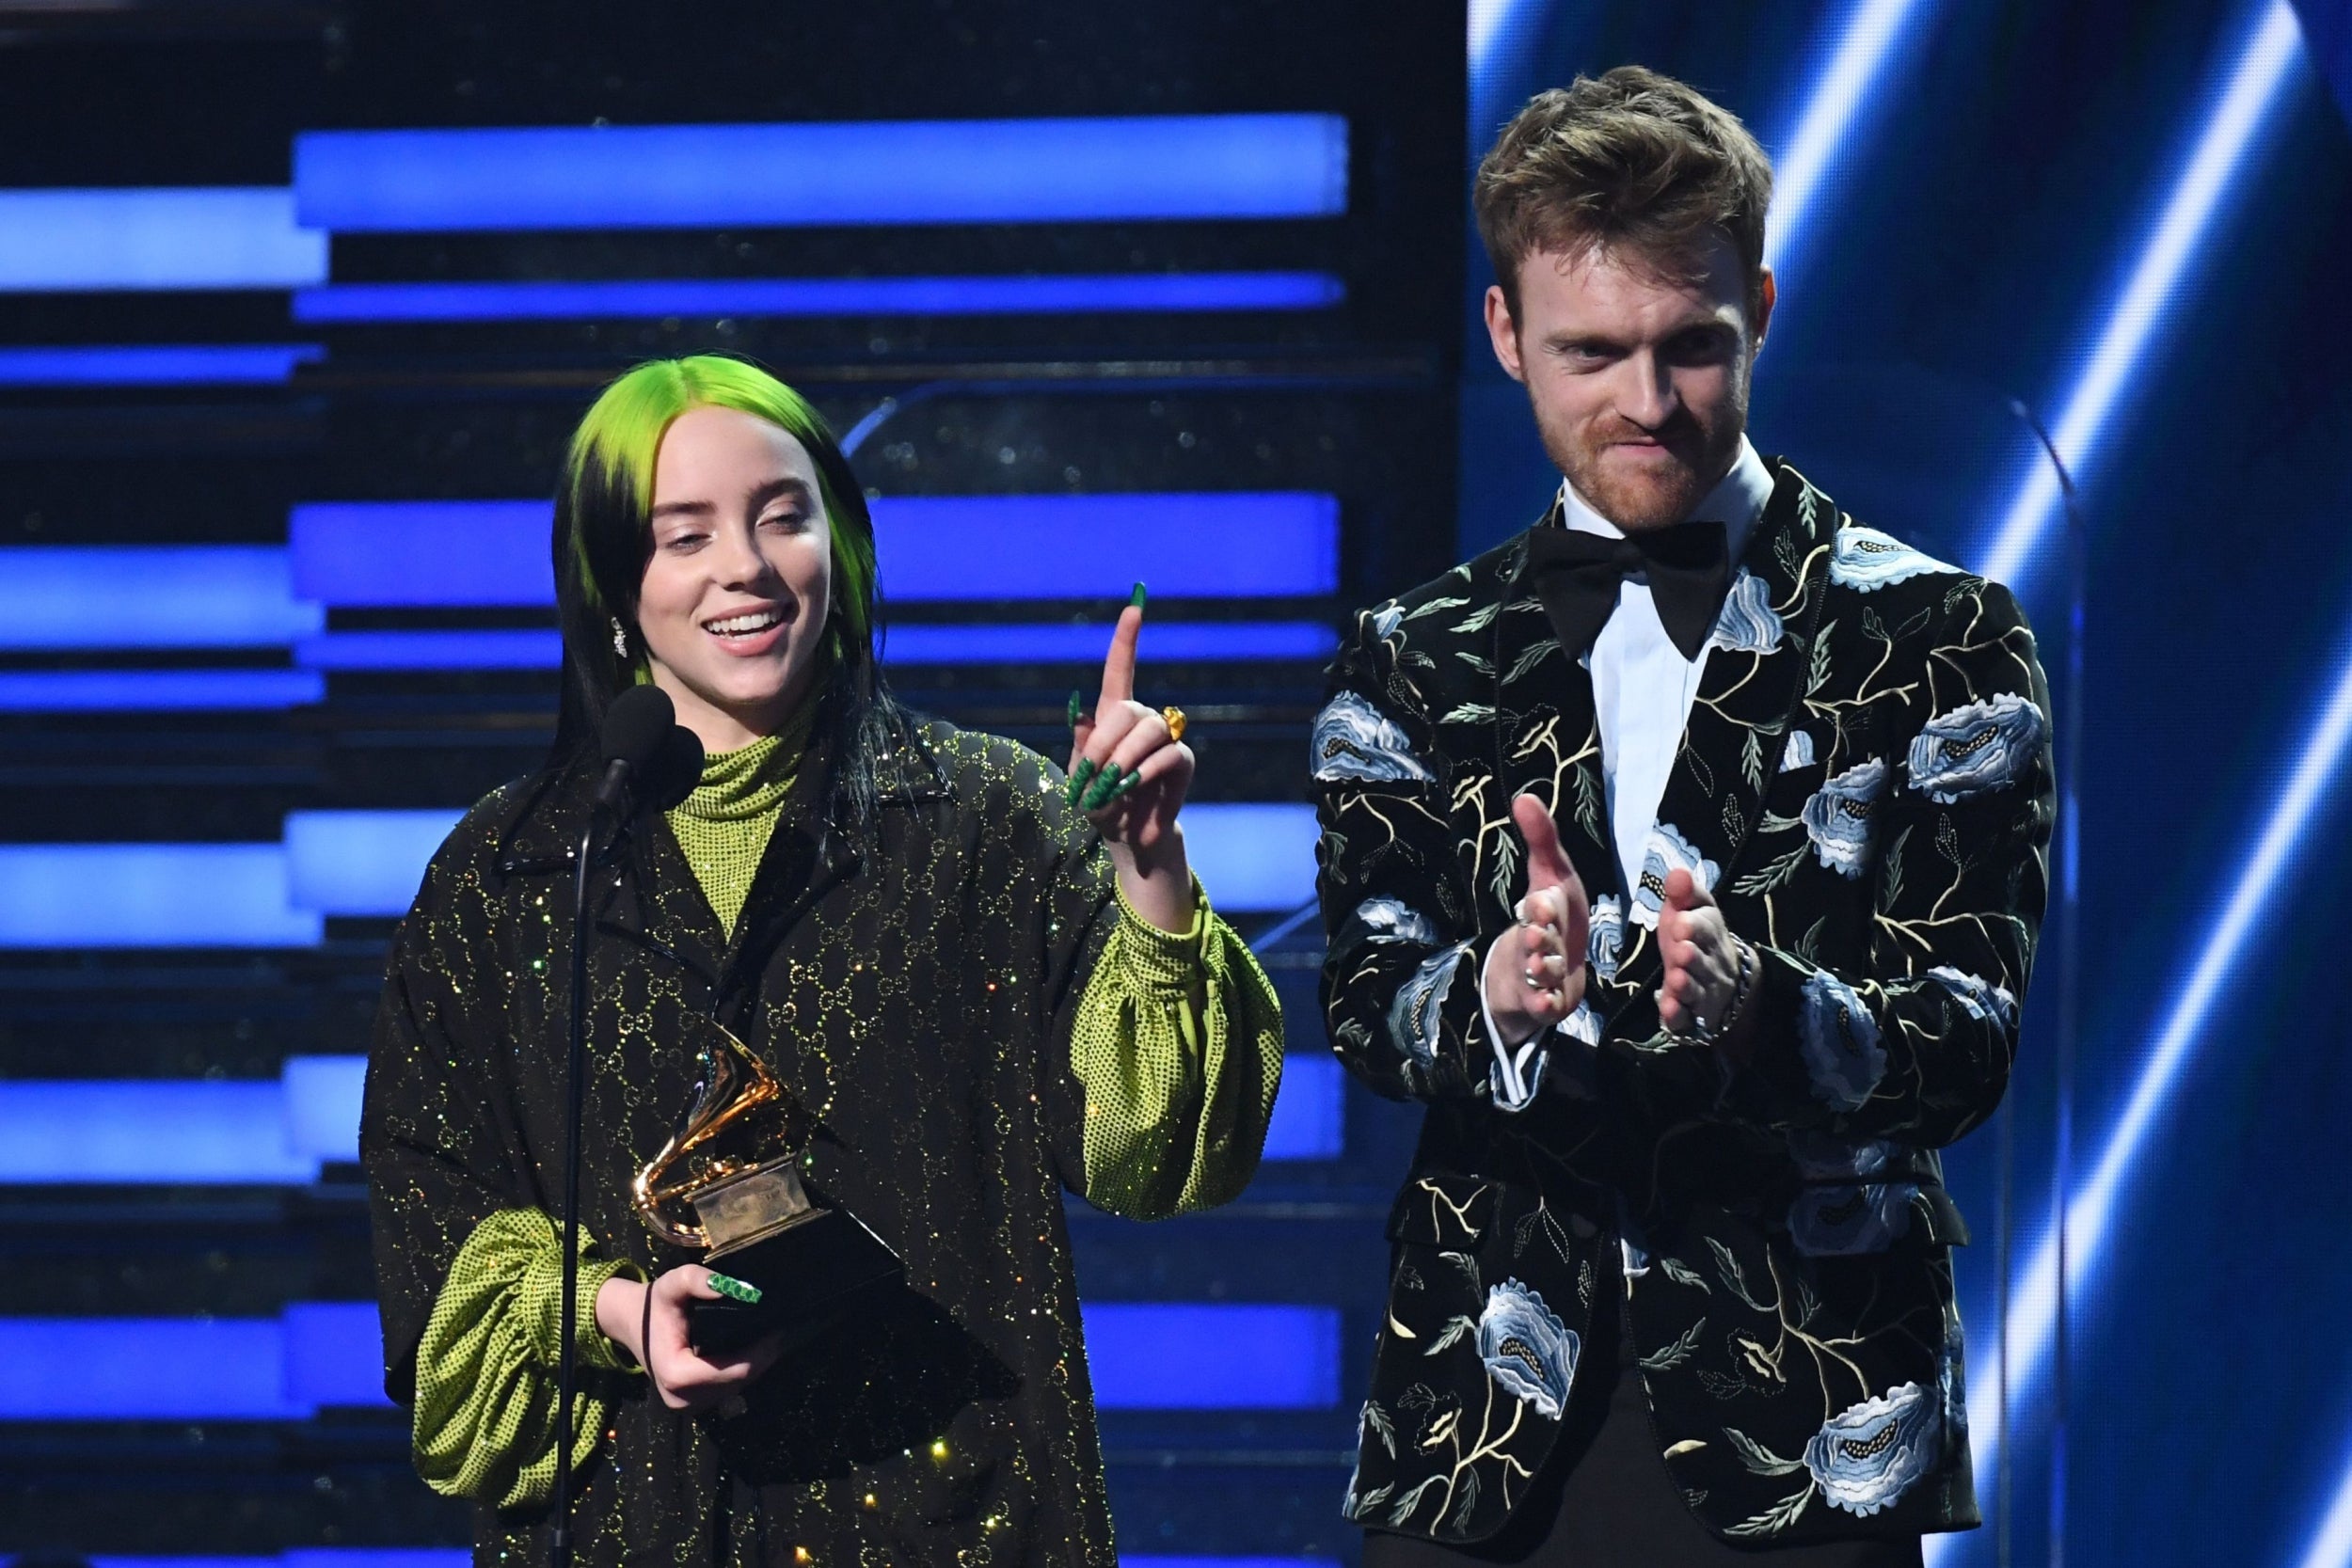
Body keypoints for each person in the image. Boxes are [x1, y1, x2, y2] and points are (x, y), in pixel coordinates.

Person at [361, 354, 1284, 1564]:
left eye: (782, 516)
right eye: (681, 535)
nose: (744, 565)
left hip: (947, 1513)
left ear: (841, 551)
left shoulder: (986, 817)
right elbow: (427, 1211)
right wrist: (616, 1312)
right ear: (605, 584)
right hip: (629, 1520)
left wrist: (1147, 870)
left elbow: (1155, 1154)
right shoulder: (511, 872)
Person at [1313, 68, 2053, 1565]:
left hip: (1813, 1399)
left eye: (1691, 347)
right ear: (1505, 332)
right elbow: (1365, 992)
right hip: (1486, 1405)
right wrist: (1498, 996)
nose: (1647, 404)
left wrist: (1763, 1007)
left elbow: (1968, 1032)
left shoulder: (1942, 636)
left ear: (1762, 309)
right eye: (1592, 351)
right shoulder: (1412, 649)